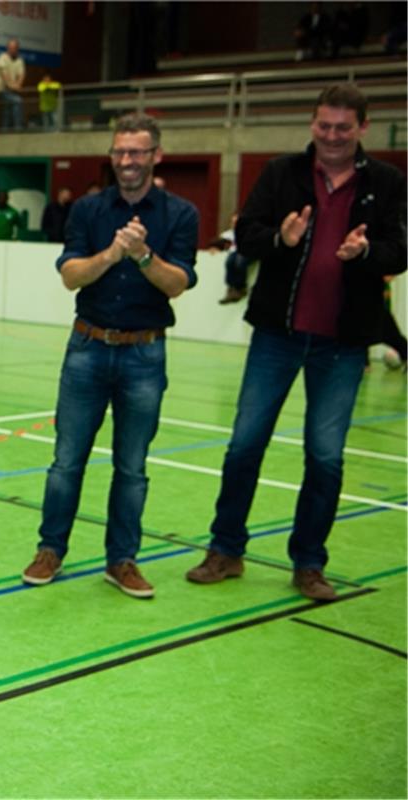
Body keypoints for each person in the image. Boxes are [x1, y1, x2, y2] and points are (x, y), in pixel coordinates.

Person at [186, 84, 407, 601]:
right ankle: (226, 549)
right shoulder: (280, 173)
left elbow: (399, 251)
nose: (332, 136)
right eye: (324, 126)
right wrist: (280, 240)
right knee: (244, 445)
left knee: (325, 457)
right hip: (276, 336)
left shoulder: (388, 183)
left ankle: (309, 563)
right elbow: (249, 235)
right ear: (312, 123)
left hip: (344, 344)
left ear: (363, 129)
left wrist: (369, 250)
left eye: (343, 128)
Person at [22, 113, 199, 598]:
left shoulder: (181, 214)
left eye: (137, 152)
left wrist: (143, 256)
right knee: (66, 461)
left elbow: (178, 283)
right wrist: (113, 254)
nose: (127, 160)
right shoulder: (88, 210)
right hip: (87, 348)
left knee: (132, 467)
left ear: (156, 155)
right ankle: (50, 549)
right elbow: (71, 275)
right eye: (120, 151)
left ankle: (122, 560)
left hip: (145, 354)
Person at [208, 211, 251, 304]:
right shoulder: (227, 235)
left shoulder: (248, 233)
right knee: (229, 262)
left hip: (244, 252)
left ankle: (240, 288)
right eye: (233, 222)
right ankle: (231, 288)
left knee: (240, 261)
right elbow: (217, 245)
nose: (235, 225)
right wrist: (214, 248)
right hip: (233, 253)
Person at [0, 37, 25, 130]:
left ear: (17, 49)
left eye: (15, 48)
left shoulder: (20, 60)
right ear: (7, 48)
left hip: (13, 90)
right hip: (2, 90)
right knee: (17, 101)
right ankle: (18, 128)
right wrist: (12, 86)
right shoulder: (2, 58)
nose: (12, 50)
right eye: (11, 48)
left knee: (7, 109)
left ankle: (6, 130)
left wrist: (18, 84)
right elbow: (4, 75)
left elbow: (21, 74)